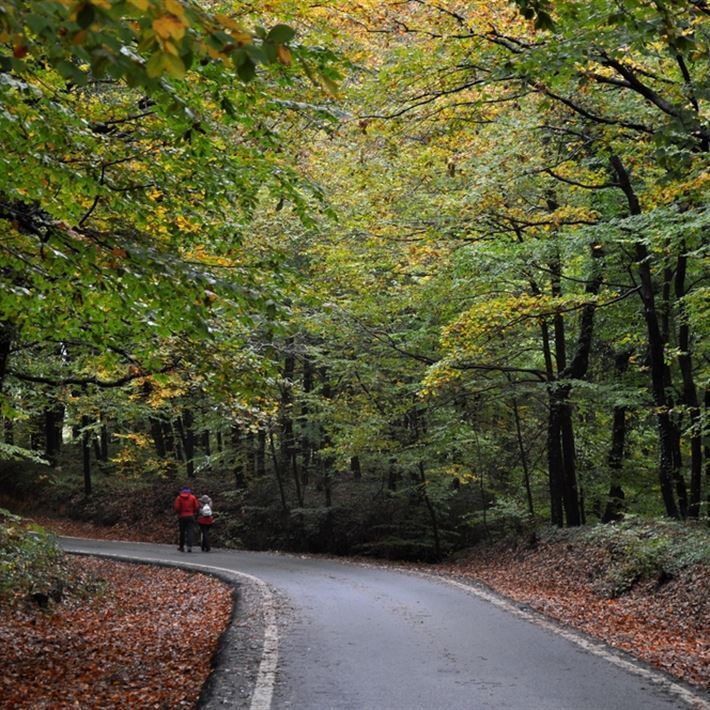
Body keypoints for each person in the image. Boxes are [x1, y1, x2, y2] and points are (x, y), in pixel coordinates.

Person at [174, 486, 199, 552]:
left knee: (182, 532)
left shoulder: (179, 498)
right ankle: (189, 546)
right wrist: (192, 511)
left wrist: (179, 513)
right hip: (190, 516)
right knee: (190, 531)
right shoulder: (192, 497)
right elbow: (196, 507)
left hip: (182, 516)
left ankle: (181, 547)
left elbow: (177, 508)